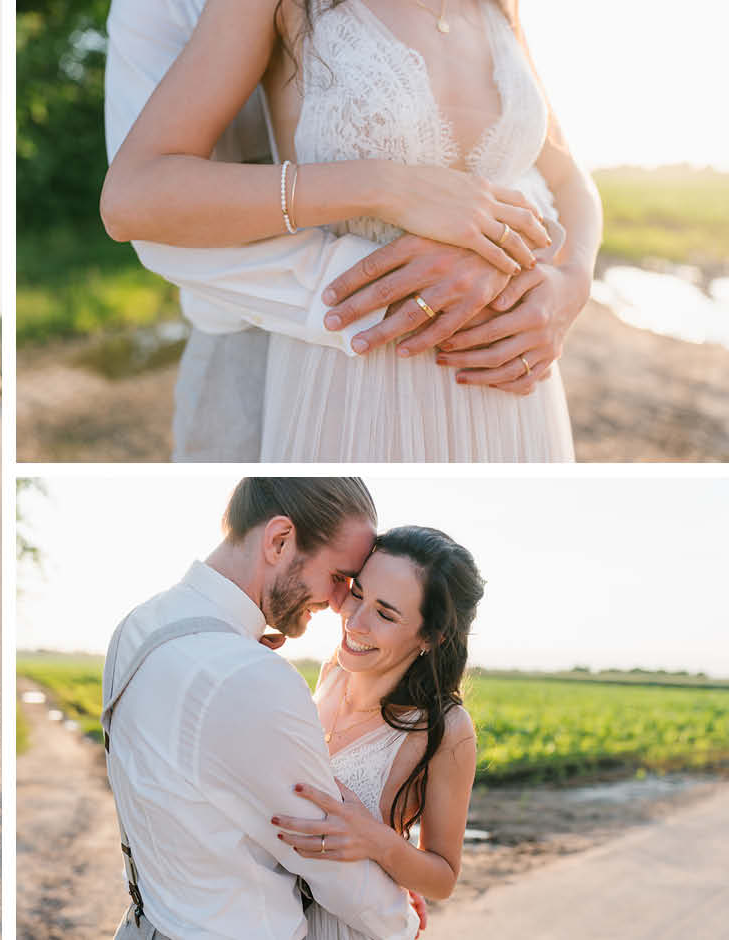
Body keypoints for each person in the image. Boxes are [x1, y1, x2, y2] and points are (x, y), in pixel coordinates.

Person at [102, 0, 602, 461]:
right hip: (355, 379)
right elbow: (133, 196)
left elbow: (567, 175)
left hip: (515, 389)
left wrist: (572, 281)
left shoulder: (498, 4)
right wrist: (386, 186)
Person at [101, 478, 421, 938]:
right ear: (279, 540)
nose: (339, 603)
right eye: (337, 577)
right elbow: (323, 852)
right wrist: (403, 918)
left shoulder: (137, 626)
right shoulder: (249, 675)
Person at [272, 526, 482, 937]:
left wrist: (379, 842)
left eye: (386, 614)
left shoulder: (445, 728)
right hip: (276, 918)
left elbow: (443, 878)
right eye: (357, 593)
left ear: (431, 636)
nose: (356, 621)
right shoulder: (333, 671)